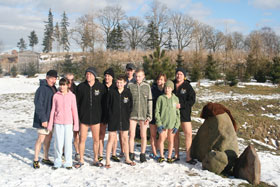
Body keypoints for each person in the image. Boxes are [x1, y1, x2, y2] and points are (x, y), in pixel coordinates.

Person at [75, 67, 105, 168]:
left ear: (94, 76)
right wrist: (78, 116)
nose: (88, 76)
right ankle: (81, 159)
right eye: (87, 74)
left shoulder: (100, 87)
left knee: (96, 139)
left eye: (90, 74)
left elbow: (104, 103)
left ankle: (95, 159)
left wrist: (103, 117)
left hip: (96, 119)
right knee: (82, 139)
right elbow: (76, 103)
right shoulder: (81, 87)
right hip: (84, 118)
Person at [47, 78, 79, 170]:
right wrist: (50, 124)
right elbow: (53, 110)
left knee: (68, 143)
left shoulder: (72, 96)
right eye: (60, 85)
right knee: (58, 143)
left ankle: (68, 162)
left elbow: (74, 110)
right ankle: (57, 161)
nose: (62, 87)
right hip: (58, 122)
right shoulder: (56, 96)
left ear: (67, 85)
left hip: (68, 123)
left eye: (64, 85)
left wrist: (76, 124)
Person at [105, 75, 136, 168]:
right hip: (113, 119)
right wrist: (110, 116)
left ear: (125, 83)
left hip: (124, 119)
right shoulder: (111, 92)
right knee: (111, 139)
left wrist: (126, 115)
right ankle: (107, 160)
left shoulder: (127, 92)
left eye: (121, 82)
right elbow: (107, 106)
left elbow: (130, 105)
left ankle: (127, 158)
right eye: (118, 82)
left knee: (125, 139)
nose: (119, 84)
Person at [32, 70, 58, 169]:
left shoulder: (53, 88)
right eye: (51, 78)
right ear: (47, 78)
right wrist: (43, 119)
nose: (53, 80)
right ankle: (35, 159)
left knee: (48, 139)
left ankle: (45, 157)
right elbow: (38, 105)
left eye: (55, 78)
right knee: (41, 139)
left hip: (51, 120)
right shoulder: (42, 89)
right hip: (43, 119)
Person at [128, 68, 152, 163]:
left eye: (140, 76)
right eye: (136, 76)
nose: (138, 78)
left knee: (143, 135)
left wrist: (149, 115)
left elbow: (149, 101)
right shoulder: (130, 85)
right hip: (132, 114)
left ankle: (142, 154)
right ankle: (131, 153)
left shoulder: (147, 86)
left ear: (143, 76)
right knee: (132, 135)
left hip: (143, 115)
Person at [173, 67, 197, 164]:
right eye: (177, 74)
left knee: (188, 133)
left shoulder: (187, 86)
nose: (179, 76)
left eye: (181, 74)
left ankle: (188, 156)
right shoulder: (172, 84)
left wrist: (182, 105)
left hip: (184, 113)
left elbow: (192, 100)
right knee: (175, 134)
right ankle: (176, 155)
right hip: (173, 113)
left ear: (184, 76)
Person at [155, 80, 180, 163]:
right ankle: (162, 156)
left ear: (172, 89)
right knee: (162, 139)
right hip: (163, 123)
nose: (167, 89)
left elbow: (177, 113)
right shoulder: (160, 98)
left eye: (169, 88)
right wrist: (159, 123)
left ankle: (169, 156)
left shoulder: (175, 99)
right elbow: (157, 111)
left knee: (171, 140)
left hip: (172, 124)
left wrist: (177, 125)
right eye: (166, 88)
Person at [99, 68, 120, 163]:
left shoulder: (115, 87)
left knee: (114, 135)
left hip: (113, 114)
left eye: (109, 76)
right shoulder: (101, 86)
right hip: (102, 113)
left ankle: (114, 153)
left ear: (112, 77)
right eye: (106, 76)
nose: (107, 77)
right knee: (101, 134)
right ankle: (100, 154)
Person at [149, 73, 166, 159]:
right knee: (153, 135)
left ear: (164, 80)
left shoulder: (166, 90)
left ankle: (158, 148)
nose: (159, 81)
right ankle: (154, 152)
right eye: (158, 79)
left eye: (161, 79)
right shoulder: (152, 89)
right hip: (152, 114)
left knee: (162, 135)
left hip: (162, 116)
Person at [65, 73, 79, 161]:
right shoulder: (61, 89)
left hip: (74, 116)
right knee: (64, 136)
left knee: (76, 135)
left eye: (72, 80)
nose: (70, 82)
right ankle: (64, 152)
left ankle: (77, 152)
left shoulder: (77, 89)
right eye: (68, 80)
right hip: (64, 117)